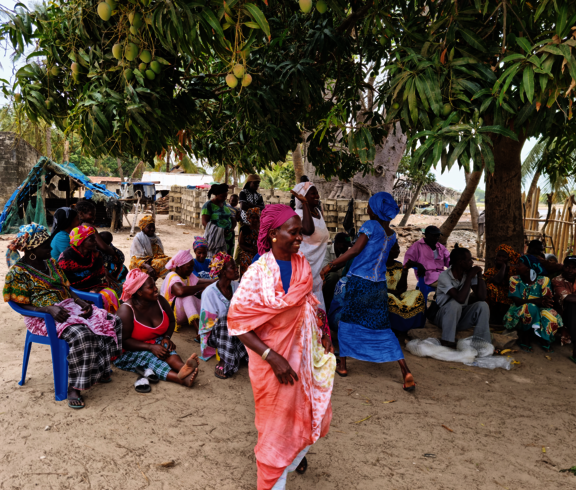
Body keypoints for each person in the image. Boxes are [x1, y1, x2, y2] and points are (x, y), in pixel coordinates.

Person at [228, 204, 335, 489]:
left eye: (300, 232)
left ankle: (289, 459)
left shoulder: (301, 264)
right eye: (294, 232)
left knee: (316, 413)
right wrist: (272, 357)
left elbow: (308, 304)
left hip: (303, 358)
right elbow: (238, 323)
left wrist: (323, 335)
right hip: (271, 365)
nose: (300, 238)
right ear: (274, 234)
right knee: (275, 431)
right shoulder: (257, 273)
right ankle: (274, 476)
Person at [4, 223, 122, 409]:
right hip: (41, 317)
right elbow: (19, 304)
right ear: (32, 250)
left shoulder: (51, 263)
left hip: (66, 306)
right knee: (82, 334)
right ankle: (74, 387)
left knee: (110, 320)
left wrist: (80, 301)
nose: (51, 248)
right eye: (46, 246)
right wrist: (48, 309)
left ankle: (100, 369)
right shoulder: (18, 273)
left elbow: (66, 288)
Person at [319, 192, 415, 388]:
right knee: (383, 327)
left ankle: (343, 365)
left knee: (347, 321)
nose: (368, 208)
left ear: (377, 209)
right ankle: (405, 371)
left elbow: (354, 251)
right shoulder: (391, 234)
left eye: (370, 206)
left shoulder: (370, 226)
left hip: (360, 282)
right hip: (379, 285)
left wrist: (331, 265)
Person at [115, 269, 199, 388]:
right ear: (139, 292)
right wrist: (150, 347)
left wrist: (167, 337)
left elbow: (171, 320)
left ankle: (183, 368)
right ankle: (180, 379)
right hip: (127, 351)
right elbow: (123, 342)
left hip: (154, 341)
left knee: (166, 348)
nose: (155, 289)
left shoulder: (159, 300)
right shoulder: (126, 310)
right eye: (151, 287)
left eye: (154, 285)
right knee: (149, 357)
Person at [198, 252, 248, 379]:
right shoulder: (209, 293)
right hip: (215, 336)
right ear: (223, 272)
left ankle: (239, 354)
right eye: (232, 267)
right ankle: (225, 360)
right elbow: (207, 325)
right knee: (225, 320)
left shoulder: (237, 287)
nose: (237, 270)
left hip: (235, 330)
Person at [434, 246, 491, 348]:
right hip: (443, 317)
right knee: (455, 304)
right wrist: (469, 277)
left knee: (483, 305)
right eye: (469, 260)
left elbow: (481, 297)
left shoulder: (468, 274)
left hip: (461, 318)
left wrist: (479, 276)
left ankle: (481, 343)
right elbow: (460, 299)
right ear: (461, 262)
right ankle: (446, 341)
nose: (472, 263)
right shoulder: (444, 276)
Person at [504, 255, 563, 352]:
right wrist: (536, 301)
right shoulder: (514, 279)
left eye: (519, 265)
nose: (516, 266)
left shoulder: (544, 280)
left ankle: (543, 338)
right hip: (519, 310)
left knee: (550, 314)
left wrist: (542, 302)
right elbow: (517, 301)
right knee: (530, 307)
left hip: (539, 309)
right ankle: (525, 337)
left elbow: (546, 301)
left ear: (528, 268)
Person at [58, 226, 120, 313]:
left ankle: (110, 320)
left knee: (111, 293)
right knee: (103, 297)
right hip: (74, 292)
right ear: (80, 242)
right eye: (91, 240)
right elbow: (63, 283)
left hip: (94, 287)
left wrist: (94, 290)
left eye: (94, 239)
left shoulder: (96, 254)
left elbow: (101, 276)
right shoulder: (66, 258)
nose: (95, 242)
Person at [291, 182, 330, 320]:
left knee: (317, 307)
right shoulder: (298, 215)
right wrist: (305, 204)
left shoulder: (318, 212)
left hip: (316, 269)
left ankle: (319, 336)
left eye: (316, 192)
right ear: (302, 197)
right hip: (304, 268)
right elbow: (308, 229)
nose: (317, 196)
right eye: (312, 193)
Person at [160, 249, 214, 333]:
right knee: (187, 297)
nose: (192, 269)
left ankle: (210, 323)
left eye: (192, 266)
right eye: (189, 267)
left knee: (203, 297)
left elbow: (200, 281)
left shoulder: (188, 275)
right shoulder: (172, 276)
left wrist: (215, 281)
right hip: (171, 314)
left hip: (182, 313)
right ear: (179, 266)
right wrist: (203, 286)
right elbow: (180, 291)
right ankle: (199, 332)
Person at [386, 241, 426, 332]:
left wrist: (405, 270)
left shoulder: (398, 265)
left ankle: (414, 326)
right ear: (386, 250)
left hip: (399, 294)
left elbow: (403, 287)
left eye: (398, 248)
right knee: (389, 297)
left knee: (418, 294)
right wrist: (396, 292)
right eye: (394, 249)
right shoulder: (378, 267)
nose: (397, 251)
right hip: (384, 294)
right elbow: (378, 287)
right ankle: (395, 328)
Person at [483, 244, 520, 324]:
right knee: (490, 288)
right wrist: (503, 266)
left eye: (504, 257)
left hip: (510, 297)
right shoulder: (491, 271)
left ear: (508, 259)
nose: (500, 258)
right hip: (494, 301)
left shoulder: (513, 271)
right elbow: (498, 280)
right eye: (498, 256)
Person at [201, 183, 236, 257]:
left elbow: (230, 217)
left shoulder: (224, 203)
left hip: (228, 238)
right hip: (215, 238)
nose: (224, 198)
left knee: (227, 261)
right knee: (216, 260)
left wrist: (232, 227)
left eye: (226, 196)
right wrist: (219, 231)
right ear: (216, 194)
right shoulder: (208, 205)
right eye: (222, 196)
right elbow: (204, 222)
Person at [552, 256, 576, 362]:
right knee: (572, 305)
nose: (570, 270)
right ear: (563, 267)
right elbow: (568, 298)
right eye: (567, 267)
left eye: (574, 268)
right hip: (563, 314)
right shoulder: (557, 280)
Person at [321, 232, 352, 314]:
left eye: (347, 246)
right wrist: (344, 262)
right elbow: (326, 269)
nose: (346, 248)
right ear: (337, 243)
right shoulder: (326, 250)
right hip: (326, 282)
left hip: (339, 283)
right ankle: (328, 304)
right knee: (332, 276)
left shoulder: (345, 252)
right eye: (344, 245)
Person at [237, 207, 261, 279]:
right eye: (253, 218)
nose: (255, 220)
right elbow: (241, 244)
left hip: (259, 252)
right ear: (249, 218)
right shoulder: (245, 229)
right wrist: (251, 250)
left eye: (257, 217)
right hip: (247, 253)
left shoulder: (262, 229)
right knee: (247, 260)